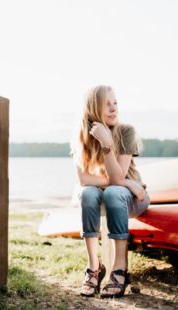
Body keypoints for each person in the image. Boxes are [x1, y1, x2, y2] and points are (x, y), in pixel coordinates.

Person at [71, 85, 150, 298]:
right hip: (112, 191)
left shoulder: (126, 131)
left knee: (114, 193)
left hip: (132, 199)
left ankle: (119, 269)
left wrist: (107, 145)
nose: (113, 108)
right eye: (106, 104)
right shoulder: (81, 135)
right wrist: (127, 182)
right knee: (88, 193)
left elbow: (117, 180)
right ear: (92, 107)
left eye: (115, 103)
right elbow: (84, 179)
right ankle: (94, 268)